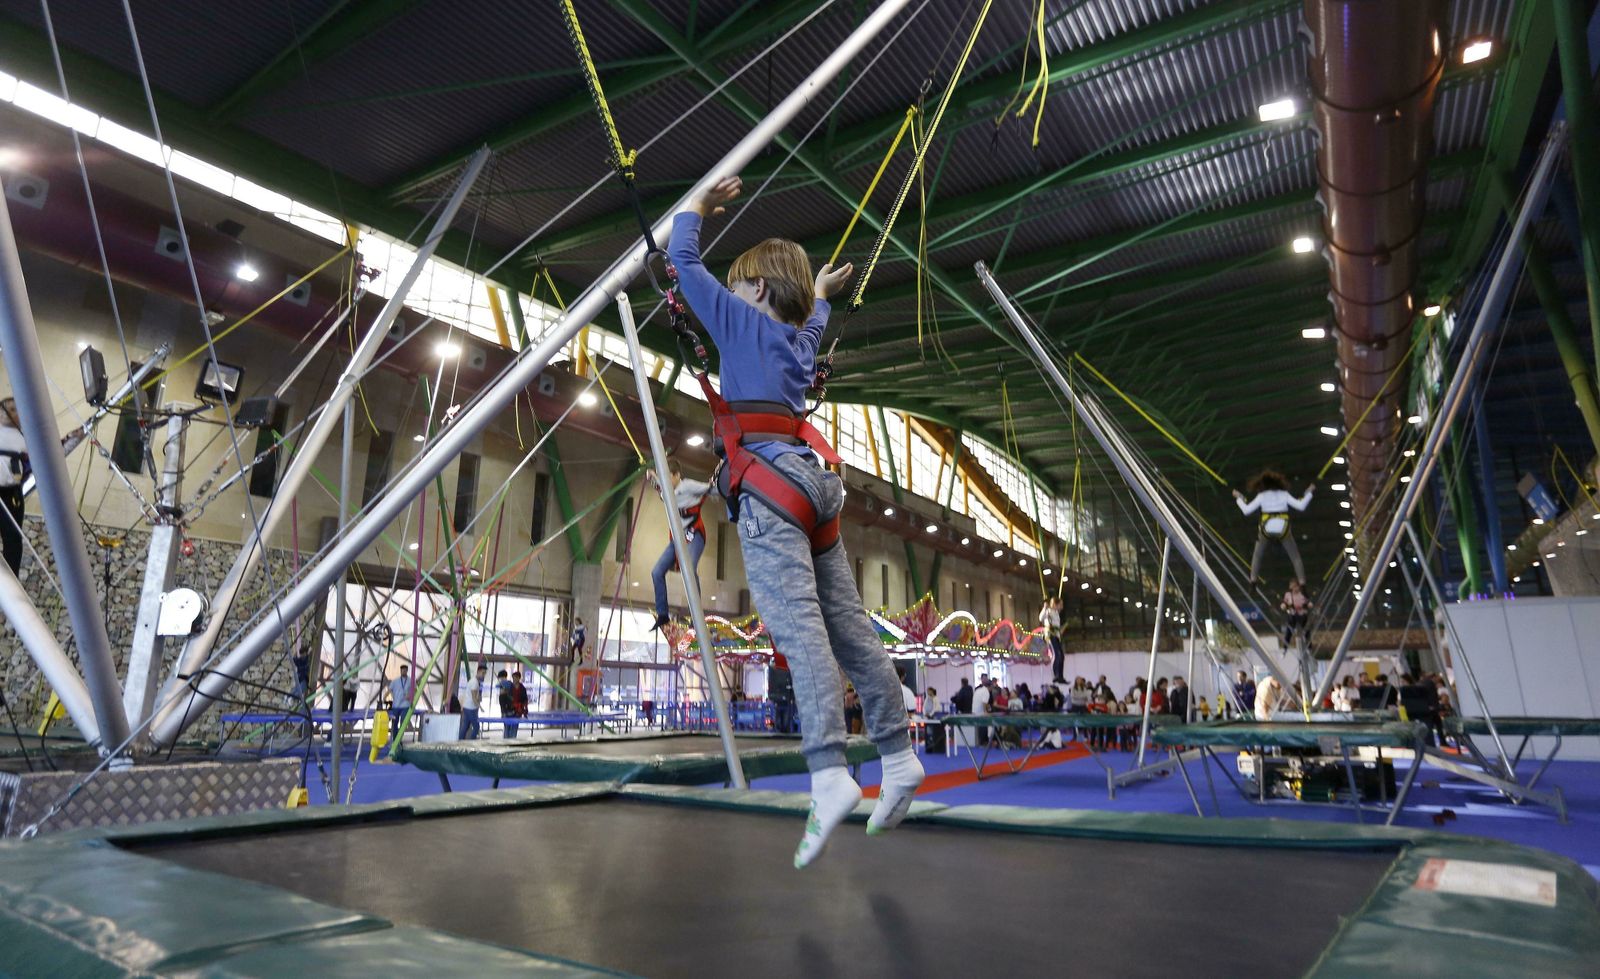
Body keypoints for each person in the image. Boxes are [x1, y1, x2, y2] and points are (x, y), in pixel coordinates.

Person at [670, 177, 924, 866]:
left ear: (752, 288)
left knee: (799, 628)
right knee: (849, 628)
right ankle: (899, 756)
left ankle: (828, 770)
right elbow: (812, 321)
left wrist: (697, 208)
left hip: (770, 485)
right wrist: (824, 298)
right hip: (815, 487)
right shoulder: (796, 340)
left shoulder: (740, 319)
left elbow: (681, 263)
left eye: (739, 283)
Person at [647, 460, 713, 631]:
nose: (665, 481)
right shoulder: (666, 493)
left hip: (694, 534)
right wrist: (653, 476)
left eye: (668, 477)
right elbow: (659, 485)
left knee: (689, 570)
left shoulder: (688, 485)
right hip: (677, 539)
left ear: (677, 475)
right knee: (656, 572)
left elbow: (710, 488)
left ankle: (696, 615)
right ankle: (663, 614)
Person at [1233, 470, 1314, 583]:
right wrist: (1309, 493)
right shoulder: (1284, 494)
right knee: (1295, 557)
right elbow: (1301, 506)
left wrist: (1239, 498)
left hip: (1266, 528)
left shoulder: (1261, 496)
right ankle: (1302, 582)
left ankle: (1253, 581)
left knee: (1257, 555)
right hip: (1283, 527)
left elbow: (1246, 511)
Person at [0, 397, 28, 574]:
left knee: (13, 543)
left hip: (11, 495)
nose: (7, 413)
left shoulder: (26, 439)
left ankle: (11, 582)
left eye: (13, 409)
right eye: (4, 409)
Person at [1280, 578, 1312, 648]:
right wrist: (1284, 606)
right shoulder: (1288, 594)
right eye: (1293, 586)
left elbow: (1309, 603)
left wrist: (1307, 605)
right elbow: (1284, 603)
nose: (1295, 588)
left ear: (1299, 586)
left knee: (1307, 632)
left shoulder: (1303, 594)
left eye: (1296, 586)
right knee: (1288, 632)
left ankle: (1309, 649)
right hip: (1292, 615)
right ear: (1290, 587)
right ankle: (1285, 649)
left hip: (1302, 615)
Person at [458, 664, 486, 740]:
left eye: (485, 673)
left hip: (467, 707)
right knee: (476, 727)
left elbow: (475, 696)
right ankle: (471, 742)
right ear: (478, 672)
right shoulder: (474, 682)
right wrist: (480, 707)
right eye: (483, 673)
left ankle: (460, 741)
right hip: (471, 708)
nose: (484, 675)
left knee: (465, 726)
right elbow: (474, 698)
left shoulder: (475, 681)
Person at [1040, 596, 1065, 683]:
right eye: (1060, 604)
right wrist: (1044, 608)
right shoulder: (1048, 611)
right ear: (1055, 604)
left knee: (1061, 656)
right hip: (1051, 635)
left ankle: (1060, 676)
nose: (1062, 607)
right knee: (1057, 654)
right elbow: (1041, 618)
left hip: (1056, 635)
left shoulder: (1056, 613)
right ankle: (1056, 675)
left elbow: (1056, 626)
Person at [388, 665, 414, 741]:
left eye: (405, 670)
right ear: (400, 671)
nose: (404, 671)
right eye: (402, 670)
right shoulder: (395, 681)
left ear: (407, 671)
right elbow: (390, 690)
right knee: (394, 723)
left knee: (403, 723)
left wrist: (410, 696)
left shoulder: (410, 681)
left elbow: (415, 690)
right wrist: (393, 697)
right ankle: (395, 739)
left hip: (405, 705)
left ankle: (399, 739)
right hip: (396, 705)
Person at [496, 670, 518, 739]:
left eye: (500, 678)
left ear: (503, 677)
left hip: (511, 711)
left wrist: (501, 683)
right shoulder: (508, 685)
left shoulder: (507, 684)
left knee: (511, 728)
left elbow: (497, 685)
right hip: (507, 711)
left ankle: (509, 740)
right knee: (508, 727)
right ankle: (508, 740)